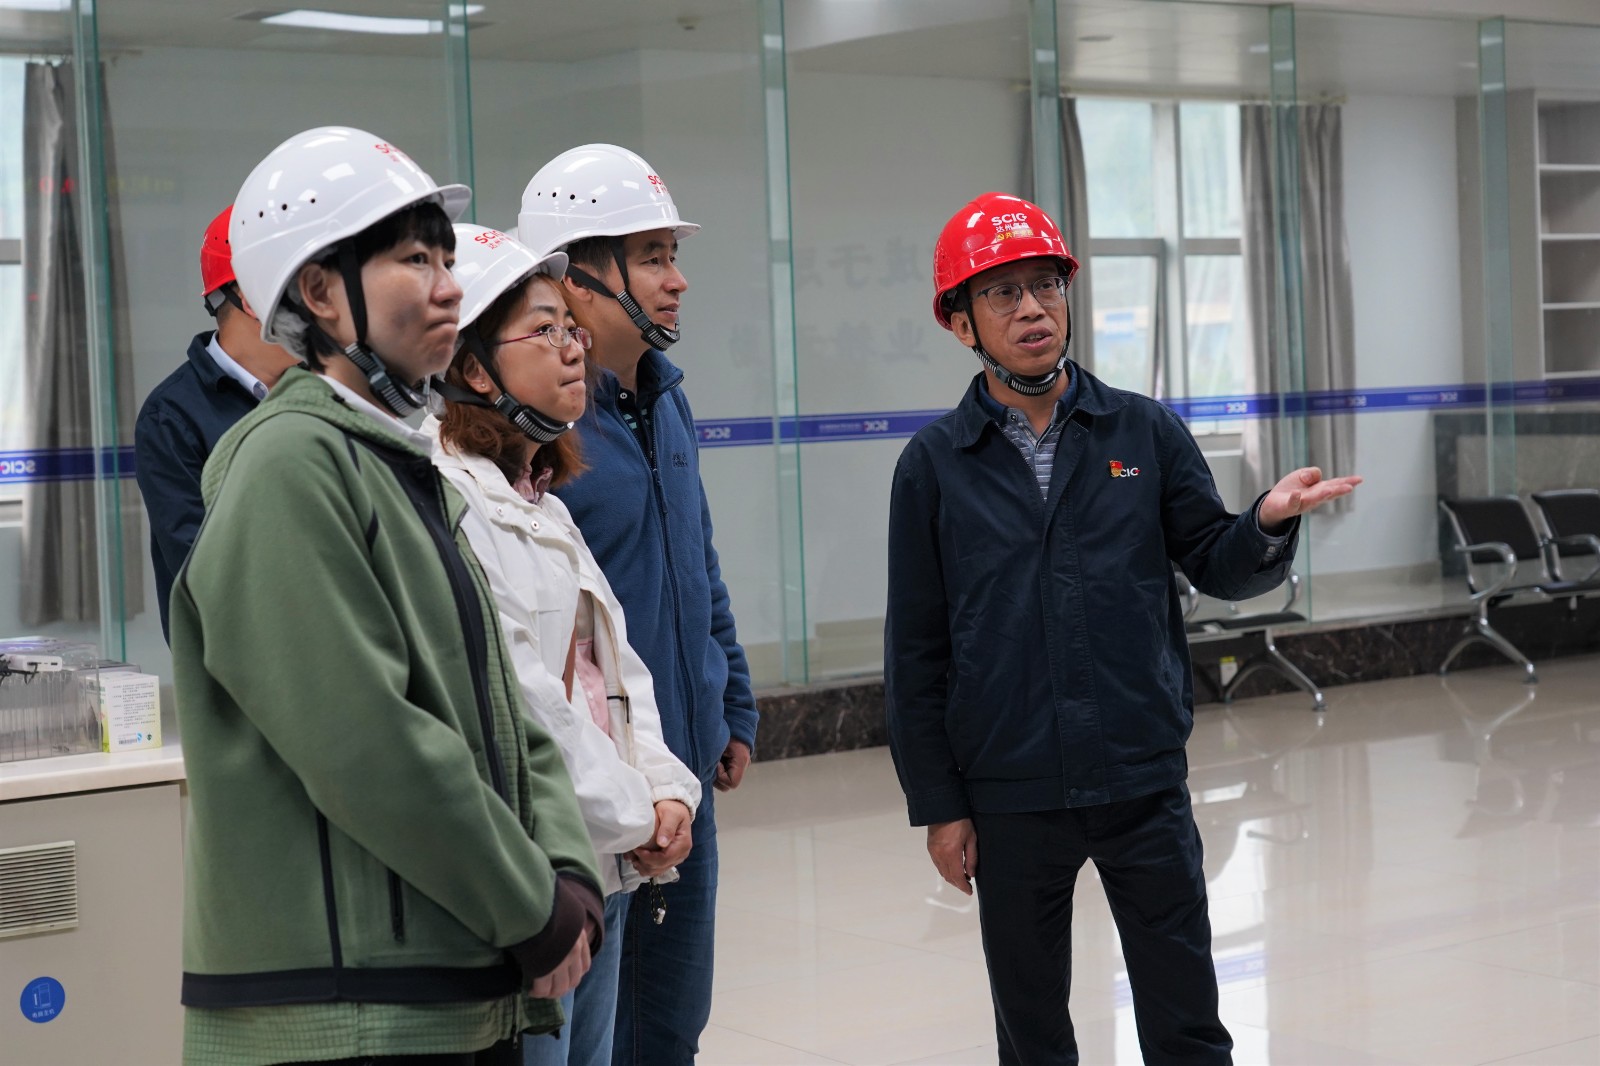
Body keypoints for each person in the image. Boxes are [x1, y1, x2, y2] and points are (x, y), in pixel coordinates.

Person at [884, 192, 1362, 1066]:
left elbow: (1216, 560)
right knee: (1032, 1030)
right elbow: (916, 654)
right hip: (1012, 788)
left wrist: (1264, 521)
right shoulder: (934, 467)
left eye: (1046, 286)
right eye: (1003, 294)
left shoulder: (1141, 429)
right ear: (960, 323)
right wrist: (940, 807)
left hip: (1140, 772)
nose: (1032, 309)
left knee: (1185, 1019)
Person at [171, 127, 603, 1066]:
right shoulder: (290, 466)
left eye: (448, 260)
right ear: (322, 292)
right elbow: (365, 741)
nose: (450, 286)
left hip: (440, 981)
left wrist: (567, 866)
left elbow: (507, 706)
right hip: (342, 1009)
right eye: (415, 260)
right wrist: (529, 903)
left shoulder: (407, 468)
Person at [424, 224, 702, 1066]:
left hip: (601, 858)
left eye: (570, 328)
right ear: (476, 370)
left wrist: (665, 785)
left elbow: (616, 670)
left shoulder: (540, 500)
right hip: (537, 874)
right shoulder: (452, 502)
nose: (574, 348)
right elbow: (524, 700)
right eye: (544, 331)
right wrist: (635, 813)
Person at [515, 144, 757, 1064]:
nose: (677, 279)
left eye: (672, 255)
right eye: (652, 257)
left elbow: (699, 563)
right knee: (593, 1042)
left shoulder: (666, 401)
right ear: (575, 280)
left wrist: (731, 702)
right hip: (595, 800)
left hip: (682, 775)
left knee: (672, 1029)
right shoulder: (542, 431)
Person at [133, 205, 300, 640]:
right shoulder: (172, 417)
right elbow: (201, 567)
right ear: (251, 296)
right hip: (238, 658)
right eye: (302, 286)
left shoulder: (329, 391)